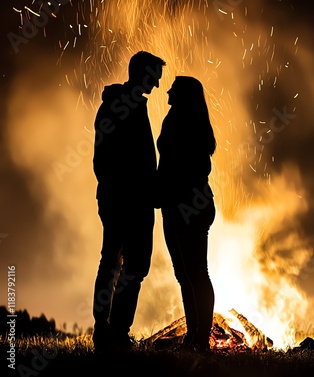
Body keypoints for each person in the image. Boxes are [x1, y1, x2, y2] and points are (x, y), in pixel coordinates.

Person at [92, 51, 166, 353]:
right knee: (122, 265)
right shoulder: (122, 106)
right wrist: (135, 189)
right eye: (155, 78)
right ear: (142, 74)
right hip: (127, 202)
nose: (158, 86)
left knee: (116, 263)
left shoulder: (123, 104)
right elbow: (107, 159)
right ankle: (113, 332)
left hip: (125, 200)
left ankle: (110, 331)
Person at [156, 76, 217, 352]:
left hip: (187, 206)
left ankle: (200, 337)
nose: (167, 90)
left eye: (173, 89)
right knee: (186, 273)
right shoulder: (185, 119)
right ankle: (195, 335)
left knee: (194, 272)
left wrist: (165, 191)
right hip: (185, 204)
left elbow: (181, 168)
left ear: (182, 95)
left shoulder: (183, 122)